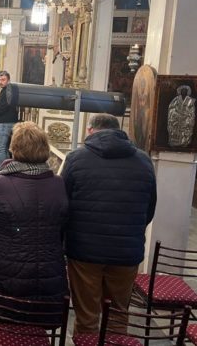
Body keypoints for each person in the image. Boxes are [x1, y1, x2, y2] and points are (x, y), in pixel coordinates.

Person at [62, 113, 157, 334]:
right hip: (126, 251)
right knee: (118, 316)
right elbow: (149, 209)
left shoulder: (76, 158)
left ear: (90, 130)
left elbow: (63, 205)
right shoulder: (144, 161)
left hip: (84, 250)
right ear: (119, 130)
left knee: (86, 317)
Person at [0, 122, 68, 322]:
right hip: (47, 280)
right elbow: (62, 227)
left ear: (14, 149)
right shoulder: (58, 184)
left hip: (0, 281)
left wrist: (4, 237)